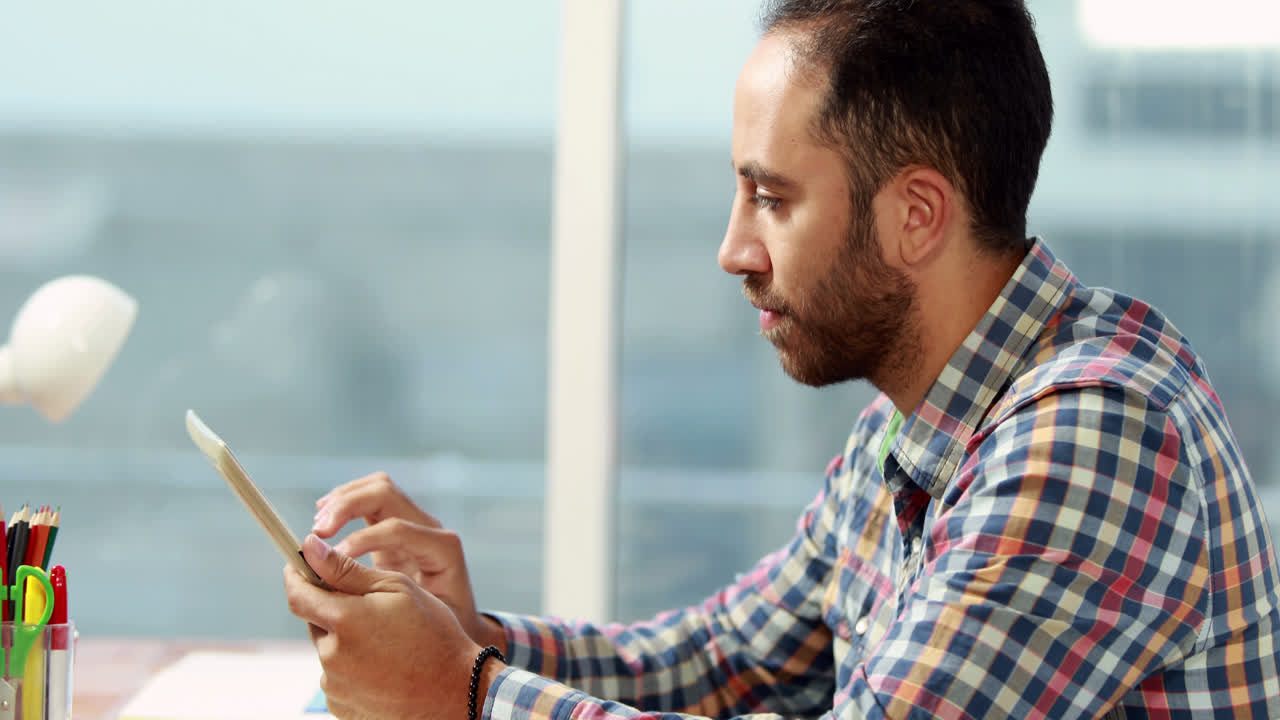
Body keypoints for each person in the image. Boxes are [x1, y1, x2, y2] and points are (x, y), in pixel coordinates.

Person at [283, 1, 1280, 718]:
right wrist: (475, 642)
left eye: (771, 199)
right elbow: (727, 659)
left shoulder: (1096, 434)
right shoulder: (916, 424)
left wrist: (462, 693)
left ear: (916, 216)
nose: (733, 250)